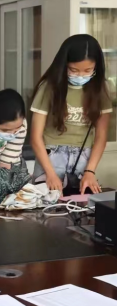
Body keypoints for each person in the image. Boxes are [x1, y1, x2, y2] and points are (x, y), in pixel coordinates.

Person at [30, 34, 112, 195]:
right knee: (46, 205)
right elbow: (35, 137)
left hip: (84, 158)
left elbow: (101, 136)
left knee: (84, 205)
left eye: (88, 70)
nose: (81, 75)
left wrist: (90, 171)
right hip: (51, 157)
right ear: (64, 65)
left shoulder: (100, 90)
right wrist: (50, 174)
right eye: (74, 70)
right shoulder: (48, 88)